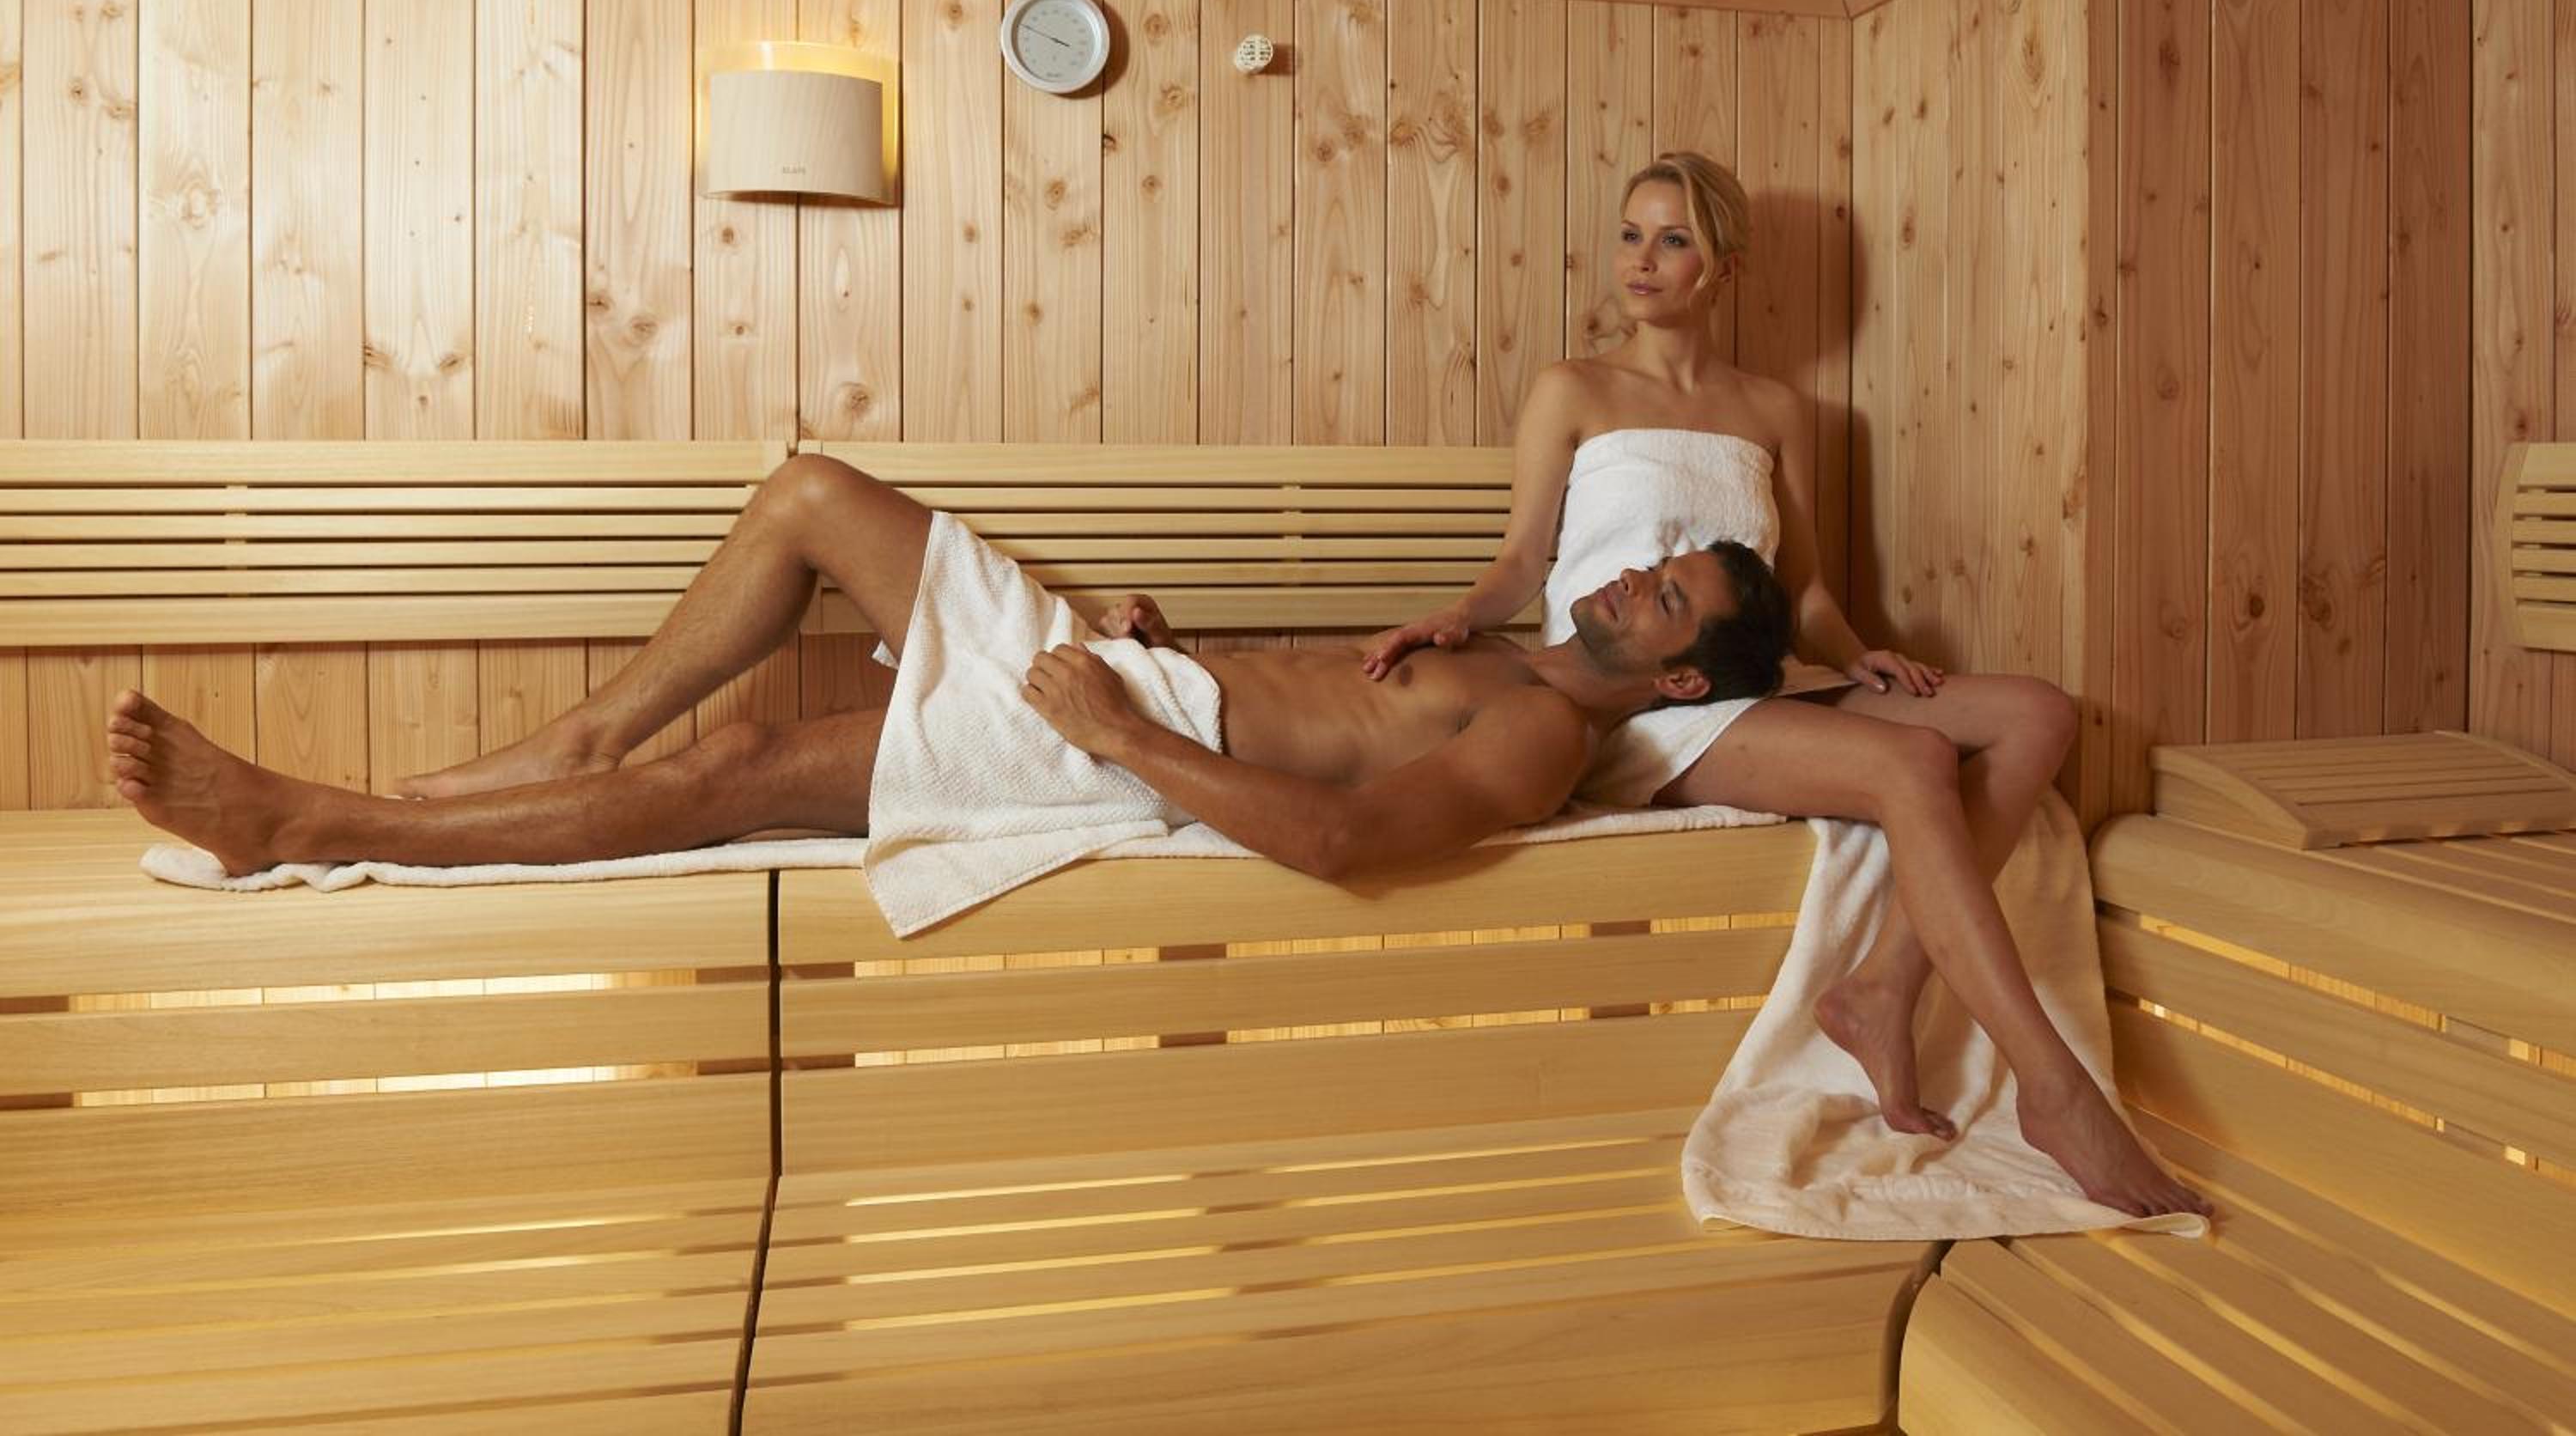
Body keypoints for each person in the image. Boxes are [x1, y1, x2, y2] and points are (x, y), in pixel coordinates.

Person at [1359, 151, 2207, 1221]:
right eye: (1631, 234)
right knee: (1913, 759)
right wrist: (1460, 615)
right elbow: (1525, 559)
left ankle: (1885, 985)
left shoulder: (1774, 410)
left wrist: (1857, 655)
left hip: (1760, 672)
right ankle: (2054, 1087)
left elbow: (1802, 585)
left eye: (1673, 240)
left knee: (2036, 712)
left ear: (1724, 267)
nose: (1643, 260)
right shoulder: (1573, 390)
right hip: (1644, 701)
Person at [106, 452, 1792, 925]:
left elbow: (1342, 838)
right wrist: (1161, 643)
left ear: (1680, 671)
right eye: (1654, 560)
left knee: (742, 766)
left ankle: (317, 824)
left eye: (1667, 596)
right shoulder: (1495, 650)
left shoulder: (1541, 730)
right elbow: (1313, 708)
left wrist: (1126, 727)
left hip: (1122, 741)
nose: (1631, 574)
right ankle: (568, 740)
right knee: (809, 493)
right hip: (1132, 675)